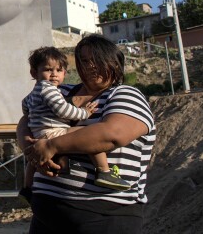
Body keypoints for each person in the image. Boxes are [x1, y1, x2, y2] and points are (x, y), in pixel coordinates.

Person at [17, 35, 156, 233]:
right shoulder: (60, 90)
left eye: (97, 59)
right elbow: (26, 119)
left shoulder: (125, 94)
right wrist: (31, 149)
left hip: (103, 216)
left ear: (115, 63)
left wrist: (51, 146)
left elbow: (111, 134)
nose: (90, 66)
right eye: (84, 60)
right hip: (46, 213)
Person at [19, 46, 130, 202]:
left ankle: (27, 189)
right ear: (34, 73)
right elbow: (63, 110)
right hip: (53, 130)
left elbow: (25, 108)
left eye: (58, 70)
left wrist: (35, 117)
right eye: (48, 70)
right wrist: (84, 113)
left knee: (32, 161)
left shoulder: (34, 92)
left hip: (40, 132)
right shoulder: (51, 90)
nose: (53, 74)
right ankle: (104, 171)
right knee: (88, 135)